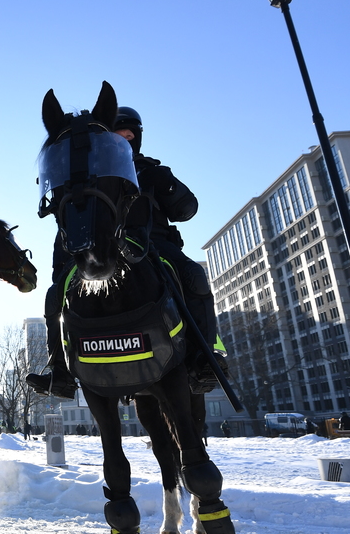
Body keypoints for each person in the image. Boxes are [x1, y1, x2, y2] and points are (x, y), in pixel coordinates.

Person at [27, 106, 219, 398]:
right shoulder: (89, 173)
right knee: (55, 295)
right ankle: (60, 372)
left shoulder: (151, 170)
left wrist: (165, 184)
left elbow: (187, 209)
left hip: (155, 244)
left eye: (131, 135)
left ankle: (206, 358)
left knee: (194, 276)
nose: (126, 139)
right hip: (102, 245)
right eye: (120, 134)